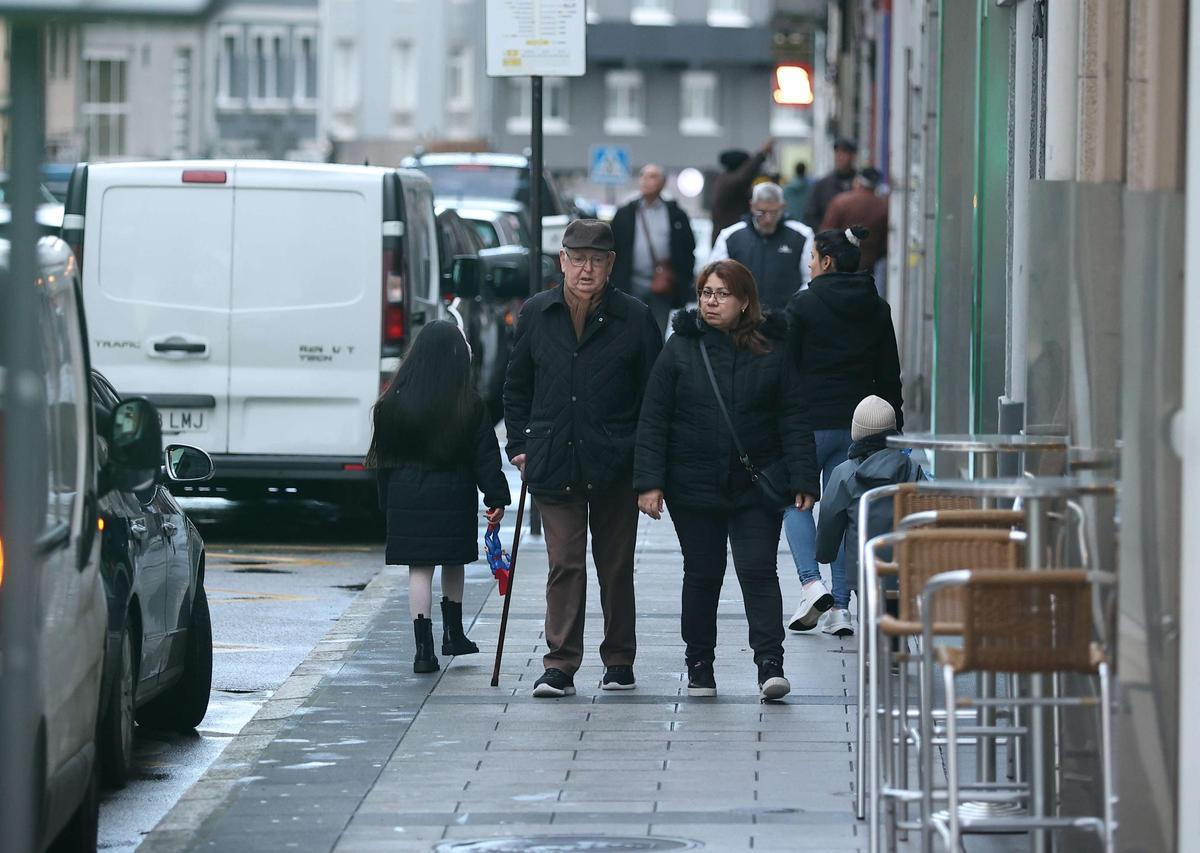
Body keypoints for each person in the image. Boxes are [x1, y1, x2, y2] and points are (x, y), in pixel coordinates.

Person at [634, 259, 820, 701]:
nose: (710, 302)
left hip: (756, 483)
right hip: (692, 484)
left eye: (720, 294)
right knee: (702, 573)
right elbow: (654, 416)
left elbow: (793, 417)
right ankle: (700, 663)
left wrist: (803, 478)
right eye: (704, 293)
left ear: (744, 302)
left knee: (757, 570)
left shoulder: (772, 349)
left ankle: (769, 663)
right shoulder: (680, 347)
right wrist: (649, 482)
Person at [504, 219, 663, 698]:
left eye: (596, 260)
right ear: (562, 262)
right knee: (565, 564)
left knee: (615, 567)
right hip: (554, 460)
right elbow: (516, 387)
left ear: (611, 264)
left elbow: (656, 399)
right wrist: (519, 447)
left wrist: (650, 471)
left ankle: (618, 659)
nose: (586, 269)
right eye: (577, 259)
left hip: (616, 464)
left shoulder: (634, 317)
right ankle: (559, 665)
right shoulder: (537, 313)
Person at [367, 320, 511, 674]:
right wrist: (496, 497)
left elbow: (380, 459)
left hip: (407, 496)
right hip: (452, 496)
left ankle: (423, 651)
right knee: (452, 562)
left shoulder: (392, 402)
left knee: (419, 570)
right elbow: (486, 456)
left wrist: (387, 502)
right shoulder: (467, 403)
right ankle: (454, 634)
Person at [783, 226, 903, 637]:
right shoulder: (877, 306)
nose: (811, 265)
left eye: (813, 258)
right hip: (859, 429)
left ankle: (810, 584)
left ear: (827, 261)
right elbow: (890, 374)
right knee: (846, 511)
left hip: (806, 424)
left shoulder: (802, 305)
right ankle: (840, 606)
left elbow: (786, 369)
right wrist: (893, 429)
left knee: (797, 500)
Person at [815, 396, 924, 604]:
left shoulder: (845, 473)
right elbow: (928, 509)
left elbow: (829, 517)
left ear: (856, 432)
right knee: (896, 620)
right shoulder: (911, 468)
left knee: (869, 624)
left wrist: (824, 553)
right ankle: (894, 637)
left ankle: (873, 635)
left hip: (863, 570)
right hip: (905, 568)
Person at [610, 164, 698, 334]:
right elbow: (614, 246)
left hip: (662, 284)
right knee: (629, 332)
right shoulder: (626, 213)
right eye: (643, 175)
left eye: (652, 176)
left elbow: (688, 249)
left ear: (663, 183)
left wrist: (683, 280)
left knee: (657, 332)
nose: (645, 180)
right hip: (630, 284)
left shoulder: (675, 214)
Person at [709, 182, 814, 312]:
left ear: (783, 207)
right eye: (762, 212)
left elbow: (810, 279)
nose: (768, 219)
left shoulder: (802, 235)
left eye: (774, 212)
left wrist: (794, 308)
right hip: (741, 318)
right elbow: (715, 279)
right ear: (752, 206)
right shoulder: (730, 236)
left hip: (787, 320)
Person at [820, 166, 889, 291]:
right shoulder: (883, 207)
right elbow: (885, 244)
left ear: (857, 181)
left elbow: (825, 234)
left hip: (838, 267)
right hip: (867, 267)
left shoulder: (841, 202)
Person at [709, 140, 773, 243]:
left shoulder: (723, 180)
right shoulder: (728, 182)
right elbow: (744, 176)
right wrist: (762, 154)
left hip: (732, 237)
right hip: (729, 240)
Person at [804, 138, 858, 229]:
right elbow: (811, 215)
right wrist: (825, 235)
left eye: (844, 153)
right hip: (830, 240)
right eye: (837, 153)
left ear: (853, 156)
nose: (839, 157)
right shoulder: (822, 185)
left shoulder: (860, 185)